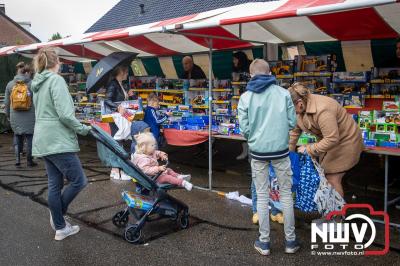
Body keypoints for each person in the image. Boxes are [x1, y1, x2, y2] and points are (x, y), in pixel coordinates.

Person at [238, 59, 299, 256]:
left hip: (258, 152)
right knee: (286, 195)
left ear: (251, 75)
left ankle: (264, 242)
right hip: (281, 152)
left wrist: (254, 137)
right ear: (270, 72)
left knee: (262, 196)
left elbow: (244, 129)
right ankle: (291, 241)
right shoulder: (283, 94)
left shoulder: (245, 97)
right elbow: (292, 123)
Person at [31, 48, 91, 241]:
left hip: (43, 139)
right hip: (58, 140)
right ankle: (58, 218)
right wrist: (82, 129)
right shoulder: (56, 80)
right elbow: (65, 115)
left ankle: (59, 224)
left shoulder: (37, 83)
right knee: (79, 180)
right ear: (57, 62)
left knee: (54, 184)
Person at [288, 83, 364, 198]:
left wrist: (309, 149)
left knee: (332, 178)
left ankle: (337, 215)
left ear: (299, 103)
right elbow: (294, 133)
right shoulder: (300, 110)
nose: (289, 111)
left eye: (290, 108)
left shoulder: (323, 109)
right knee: (324, 176)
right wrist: (287, 155)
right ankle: (330, 212)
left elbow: (332, 138)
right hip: (329, 142)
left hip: (346, 142)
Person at [4, 62, 37, 167]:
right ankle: (29, 161)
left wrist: (8, 115)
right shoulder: (32, 84)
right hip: (30, 115)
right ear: (27, 72)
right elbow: (37, 101)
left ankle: (17, 160)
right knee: (30, 137)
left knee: (17, 135)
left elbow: (7, 103)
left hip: (15, 115)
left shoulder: (10, 84)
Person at [104, 65, 131, 179]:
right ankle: (115, 169)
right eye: (126, 71)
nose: (127, 73)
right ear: (121, 72)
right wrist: (117, 107)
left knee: (120, 142)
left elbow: (122, 100)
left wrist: (129, 95)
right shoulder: (113, 84)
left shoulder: (121, 84)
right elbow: (107, 101)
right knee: (117, 142)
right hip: (115, 118)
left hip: (120, 118)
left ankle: (118, 169)